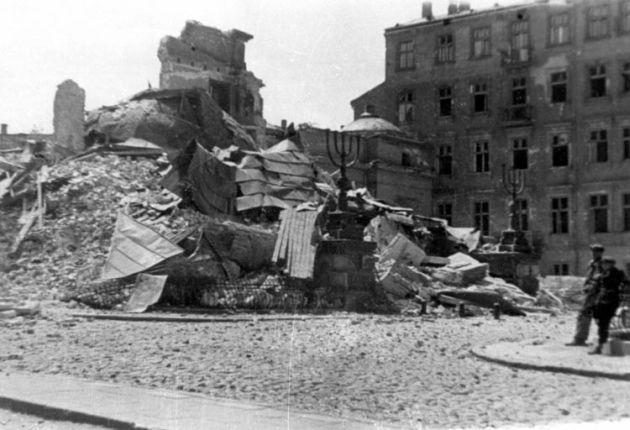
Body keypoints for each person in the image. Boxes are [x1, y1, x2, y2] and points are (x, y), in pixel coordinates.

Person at [566, 244, 604, 346]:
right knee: (586, 316)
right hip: (589, 293)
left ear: (600, 253)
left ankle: (580, 339)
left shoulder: (602, 265)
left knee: (586, 315)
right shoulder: (592, 263)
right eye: (593, 251)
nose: (593, 253)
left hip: (595, 294)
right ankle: (581, 338)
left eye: (596, 251)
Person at [588, 256, 626, 354]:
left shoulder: (617, 274)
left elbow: (624, 285)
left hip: (610, 301)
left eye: (606, 263)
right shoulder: (603, 274)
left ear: (611, 264)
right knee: (600, 321)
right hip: (601, 300)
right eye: (603, 263)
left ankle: (600, 346)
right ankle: (601, 343)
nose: (604, 265)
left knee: (603, 323)